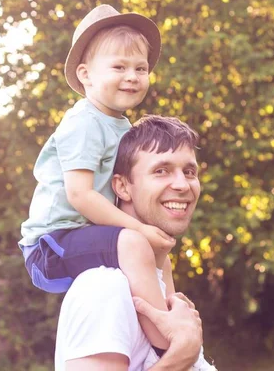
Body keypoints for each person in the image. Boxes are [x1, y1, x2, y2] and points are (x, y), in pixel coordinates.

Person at [20, 4, 173, 353]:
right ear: (86, 75)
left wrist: (150, 233)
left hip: (84, 234)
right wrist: (138, 231)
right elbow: (80, 196)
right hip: (51, 245)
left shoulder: (121, 126)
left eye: (141, 68)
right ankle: (163, 340)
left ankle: (171, 308)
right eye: (119, 67)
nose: (132, 76)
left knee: (158, 240)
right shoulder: (84, 122)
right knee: (137, 241)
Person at [54, 115, 216, 370]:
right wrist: (180, 357)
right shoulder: (105, 287)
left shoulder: (157, 279)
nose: (182, 184)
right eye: (161, 170)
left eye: (189, 171)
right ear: (122, 187)